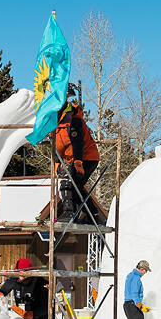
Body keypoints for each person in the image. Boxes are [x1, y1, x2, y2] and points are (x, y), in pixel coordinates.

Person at [54, 87, 100, 224]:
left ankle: (69, 214)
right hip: (73, 158)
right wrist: (57, 161)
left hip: (86, 157)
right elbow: (54, 143)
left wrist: (78, 162)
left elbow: (78, 141)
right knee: (76, 187)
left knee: (69, 183)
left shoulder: (73, 117)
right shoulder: (54, 121)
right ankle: (92, 215)